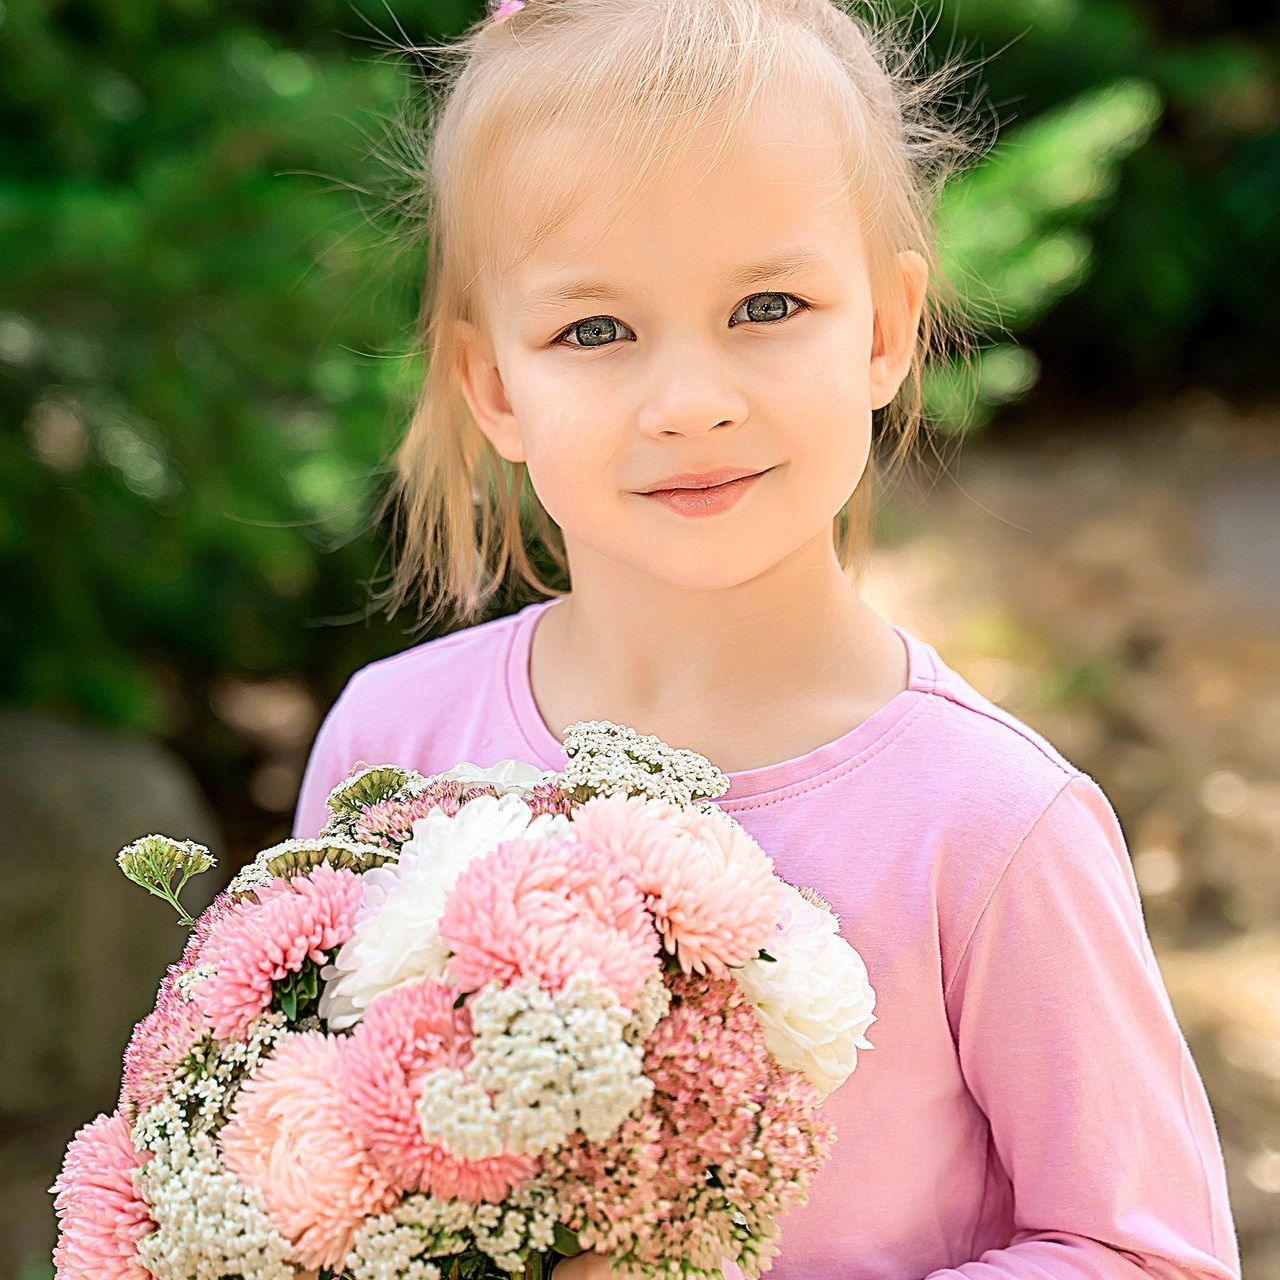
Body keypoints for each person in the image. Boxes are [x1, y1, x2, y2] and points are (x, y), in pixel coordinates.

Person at [290, 0, 1242, 1277]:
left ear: (884, 330)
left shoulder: (987, 824)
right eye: (594, 329)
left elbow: (1146, 1250)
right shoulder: (389, 745)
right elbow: (299, 1133)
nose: (690, 401)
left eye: (766, 304)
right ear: (494, 385)